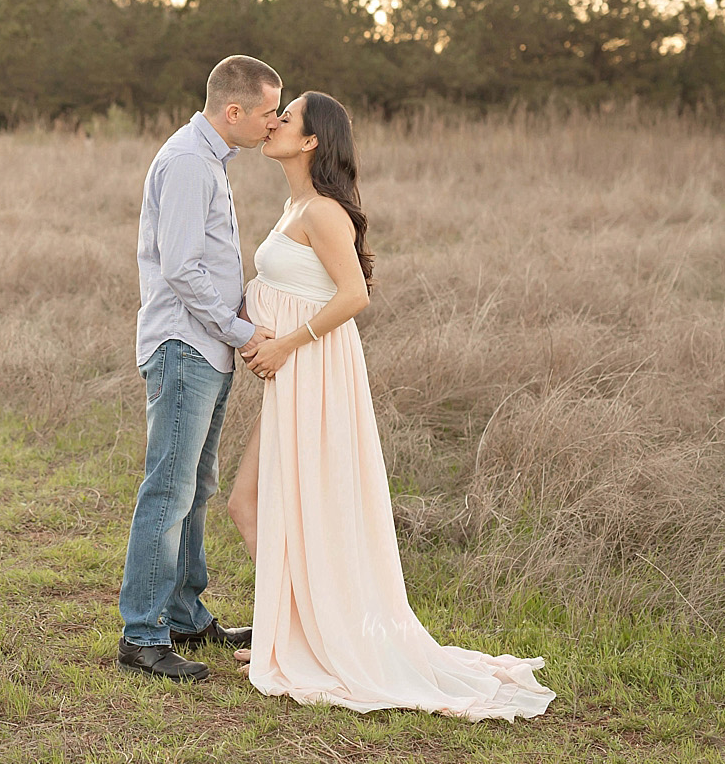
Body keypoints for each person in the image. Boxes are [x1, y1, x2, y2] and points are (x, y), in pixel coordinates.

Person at [227, 91, 555, 719]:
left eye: (285, 119)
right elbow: (287, 283)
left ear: (313, 140)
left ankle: (316, 640)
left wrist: (285, 344)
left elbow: (354, 296)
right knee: (253, 503)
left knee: (275, 503)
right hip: (292, 373)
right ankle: (293, 633)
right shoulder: (295, 203)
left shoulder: (323, 212)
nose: (272, 125)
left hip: (313, 370)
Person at [117, 55, 283, 682]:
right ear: (233, 111)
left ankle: (184, 614)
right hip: (186, 347)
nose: (275, 123)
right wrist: (243, 330)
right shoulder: (189, 162)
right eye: (269, 112)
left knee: (197, 488)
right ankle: (142, 634)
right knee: (169, 488)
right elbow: (182, 268)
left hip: (204, 348)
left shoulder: (208, 159)